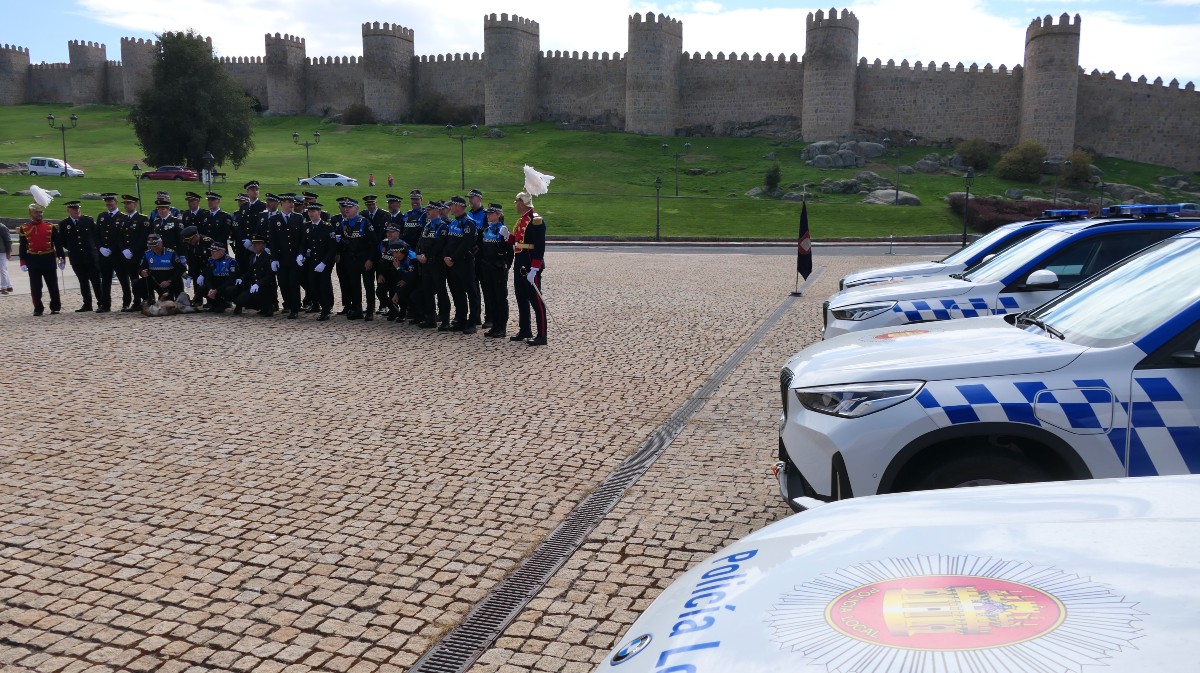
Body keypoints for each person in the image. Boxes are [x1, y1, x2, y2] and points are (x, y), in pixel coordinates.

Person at [510, 191, 548, 346]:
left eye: (517, 203)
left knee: (536, 300)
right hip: (520, 260)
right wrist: (508, 236)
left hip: (530, 262)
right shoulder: (522, 220)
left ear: (523, 203)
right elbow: (519, 241)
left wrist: (535, 268)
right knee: (521, 297)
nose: (516, 206)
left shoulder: (536, 220)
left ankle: (542, 335)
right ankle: (525, 329)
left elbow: (539, 246)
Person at [18, 201, 65, 316]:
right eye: (36, 212)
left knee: (53, 285)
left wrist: (61, 258)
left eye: (40, 212)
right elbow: (23, 246)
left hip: (48, 258)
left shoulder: (50, 227)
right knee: (35, 286)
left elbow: (58, 245)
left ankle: (55, 307)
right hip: (33, 259)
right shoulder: (24, 228)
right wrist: (23, 261)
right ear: (31, 213)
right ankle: (38, 308)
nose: (39, 214)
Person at [335, 197, 377, 320]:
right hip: (351, 259)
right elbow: (340, 240)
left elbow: (374, 243)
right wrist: (338, 253)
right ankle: (357, 309)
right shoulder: (344, 223)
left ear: (357, 208)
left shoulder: (364, 222)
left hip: (364, 258)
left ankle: (370, 310)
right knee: (354, 284)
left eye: (350, 207)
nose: (346, 209)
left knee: (368, 285)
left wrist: (370, 259)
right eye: (345, 207)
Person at [58, 199, 103, 312]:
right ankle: (87, 304)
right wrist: (72, 249)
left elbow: (96, 235)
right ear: (68, 210)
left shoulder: (88, 220)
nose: (77, 211)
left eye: (78, 209)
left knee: (96, 281)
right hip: (76, 257)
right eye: (74, 209)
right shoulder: (64, 224)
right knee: (83, 281)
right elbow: (62, 240)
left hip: (91, 256)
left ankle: (101, 302)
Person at [442, 195, 477, 334]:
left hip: (464, 262)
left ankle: (472, 321)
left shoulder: (469, 223)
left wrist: (453, 258)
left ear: (458, 206)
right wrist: (445, 256)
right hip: (452, 263)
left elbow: (466, 244)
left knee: (471, 292)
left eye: (452, 205)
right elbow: (448, 241)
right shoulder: (453, 223)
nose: (450, 208)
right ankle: (460, 319)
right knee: (457, 293)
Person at [478, 203, 513, 338]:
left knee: (500, 297)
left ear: (498, 214)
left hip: (498, 268)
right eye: (488, 213)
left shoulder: (502, 230)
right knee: (490, 297)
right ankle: (494, 325)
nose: (488, 215)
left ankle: (501, 327)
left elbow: (509, 252)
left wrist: (505, 266)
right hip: (487, 267)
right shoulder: (486, 230)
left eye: (491, 213)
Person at [270, 194, 307, 318]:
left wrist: (301, 254)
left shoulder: (298, 217)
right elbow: (272, 240)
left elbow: (303, 239)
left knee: (294, 283)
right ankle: (289, 304)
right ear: (282, 203)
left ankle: (295, 308)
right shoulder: (274, 219)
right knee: (283, 283)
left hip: (294, 257)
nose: (291, 204)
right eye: (288, 201)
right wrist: (273, 258)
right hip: (281, 257)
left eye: (292, 202)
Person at [414, 201, 449, 328]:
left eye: (431, 209)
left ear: (438, 211)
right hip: (425, 264)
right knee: (427, 291)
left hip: (436, 263)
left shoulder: (442, 226)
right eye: (427, 209)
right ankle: (430, 318)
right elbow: (420, 242)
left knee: (441, 291)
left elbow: (439, 245)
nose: (427, 211)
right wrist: (418, 254)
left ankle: (445, 319)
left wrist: (426, 256)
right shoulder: (427, 226)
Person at [96, 192, 131, 312]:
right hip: (104, 255)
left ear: (116, 202)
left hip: (117, 254)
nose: (108, 204)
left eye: (111, 201)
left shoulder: (122, 217)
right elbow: (97, 235)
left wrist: (111, 248)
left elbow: (121, 237)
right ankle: (105, 304)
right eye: (107, 202)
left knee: (123, 280)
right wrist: (100, 247)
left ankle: (126, 303)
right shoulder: (102, 216)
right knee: (105, 281)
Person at [304, 202, 338, 321]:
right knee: (313, 287)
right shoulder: (307, 226)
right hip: (312, 262)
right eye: (309, 211)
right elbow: (304, 243)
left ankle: (326, 310)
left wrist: (324, 263)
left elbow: (332, 248)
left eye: (313, 211)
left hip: (324, 262)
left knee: (324, 286)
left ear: (319, 212)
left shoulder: (327, 227)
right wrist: (302, 254)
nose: (311, 214)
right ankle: (322, 305)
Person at [118, 195, 151, 310]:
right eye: (125, 204)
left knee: (144, 278)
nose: (126, 206)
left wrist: (132, 250)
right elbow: (120, 237)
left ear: (135, 204)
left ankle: (147, 299)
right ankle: (136, 301)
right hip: (127, 255)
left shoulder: (142, 219)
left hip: (139, 254)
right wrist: (124, 250)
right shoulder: (123, 219)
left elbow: (143, 238)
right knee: (133, 279)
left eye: (129, 203)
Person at [232, 236, 277, 316]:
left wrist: (258, 284)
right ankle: (258, 306)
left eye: (257, 244)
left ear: (263, 245)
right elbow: (250, 272)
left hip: (266, 287)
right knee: (240, 300)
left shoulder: (268, 257)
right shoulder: (252, 257)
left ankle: (267, 307)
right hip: (255, 286)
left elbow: (270, 276)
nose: (254, 246)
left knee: (263, 298)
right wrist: (242, 278)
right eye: (253, 244)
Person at [138, 232, 186, 302]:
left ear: (161, 242)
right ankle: (148, 299)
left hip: (170, 281)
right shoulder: (147, 254)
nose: (154, 248)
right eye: (151, 246)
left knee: (170, 302)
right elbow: (141, 268)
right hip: (156, 281)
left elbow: (181, 269)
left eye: (156, 245)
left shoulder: (170, 253)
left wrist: (169, 281)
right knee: (136, 283)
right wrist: (142, 272)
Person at [196, 242, 239, 313]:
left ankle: (232, 304)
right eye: (211, 251)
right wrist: (210, 289)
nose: (212, 253)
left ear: (222, 251)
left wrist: (217, 290)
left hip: (225, 285)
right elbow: (208, 277)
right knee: (202, 289)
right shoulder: (211, 261)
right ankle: (216, 304)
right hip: (215, 285)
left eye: (214, 251)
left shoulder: (231, 261)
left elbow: (232, 279)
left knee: (231, 290)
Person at [466, 188, 486, 327]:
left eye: (473, 198)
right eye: (469, 198)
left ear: (479, 198)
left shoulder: (485, 214)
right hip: (470, 256)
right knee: (473, 288)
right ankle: (475, 315)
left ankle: (490, 316)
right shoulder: (468, 214)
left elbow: (487, 235)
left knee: (486, 288)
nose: (470, 200)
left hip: (482, 256)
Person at [0, 220, 12, 294]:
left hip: (2, 252)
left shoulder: (2, 227)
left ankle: (3, 287)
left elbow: (8, 241)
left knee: (2, 269)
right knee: (4, 269)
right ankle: (9, 285)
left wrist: (8, 252)